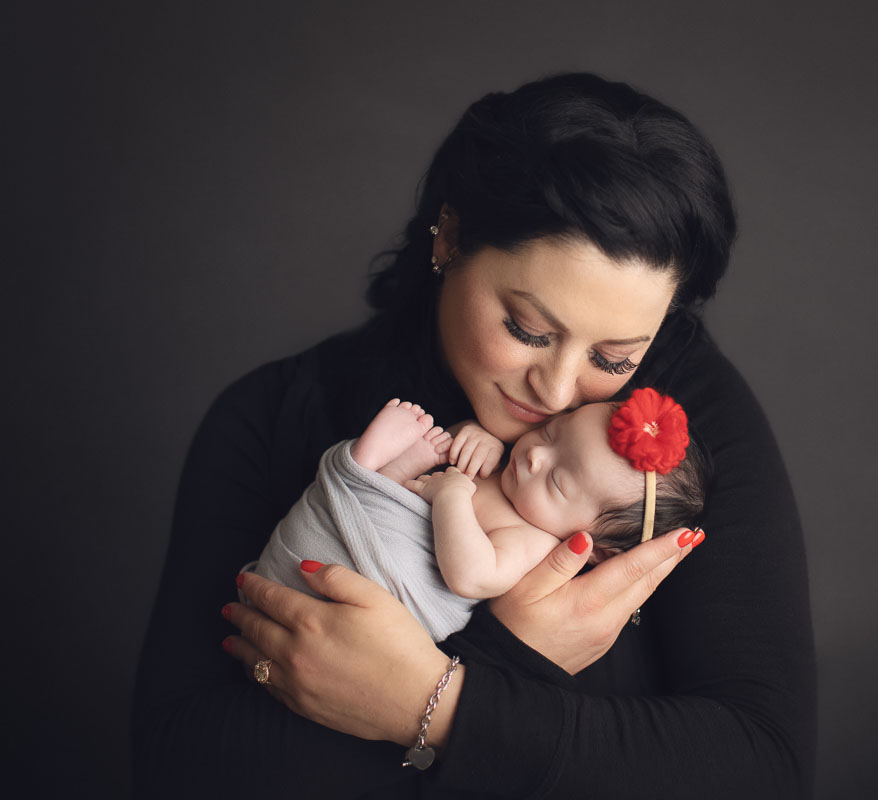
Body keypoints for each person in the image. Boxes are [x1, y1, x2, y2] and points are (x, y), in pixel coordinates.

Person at [133, 72, 815, 798]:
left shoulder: (675, 432)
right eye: (527, 329)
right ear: (451, 238)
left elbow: (765, 767)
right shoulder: (272, 416)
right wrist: (495, 667)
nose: (554, 394)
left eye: (614, 358)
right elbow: (180, 765)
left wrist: (444, 699)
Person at [251, 393, 707, 640]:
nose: (534, 456)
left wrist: (451, 494)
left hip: (375, 576)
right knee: (424, 456)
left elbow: (470, 576)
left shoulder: (533, 542)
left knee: (404, 486)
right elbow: (457, 464)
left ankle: (372, 470)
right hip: (361, 522)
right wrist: (471, 438)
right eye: (551, 431)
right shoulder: (514, 469)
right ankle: (372, 470)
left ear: (593, 548)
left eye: (559, 482)